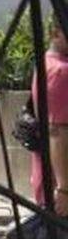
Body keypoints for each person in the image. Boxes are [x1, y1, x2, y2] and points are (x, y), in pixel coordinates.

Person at [30, 18, 68, 214]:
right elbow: (57, 133)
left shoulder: (45, 64)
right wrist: (64, 189)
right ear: (55, 32)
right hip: (60, 189)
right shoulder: (62, 71)